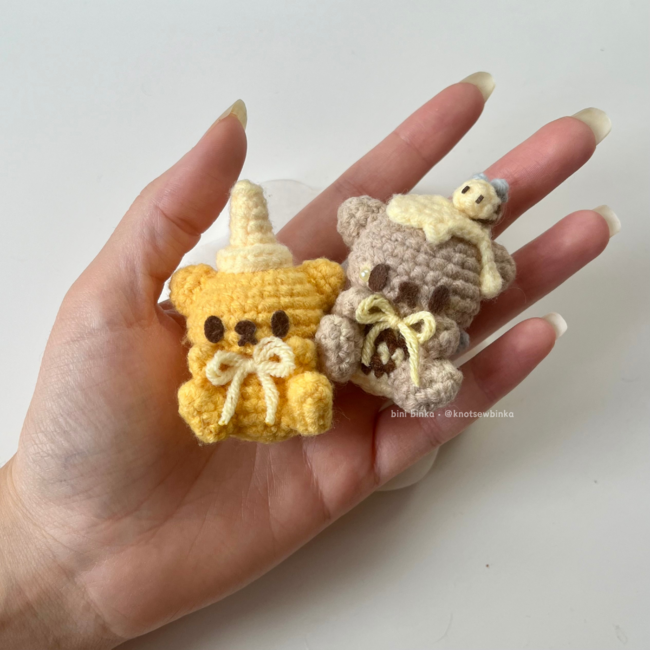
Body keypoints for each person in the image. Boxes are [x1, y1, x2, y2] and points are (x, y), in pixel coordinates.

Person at [0, 72, 617, 648]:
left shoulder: (359, 291)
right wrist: (37, 539)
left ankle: (379, 380)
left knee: (372, 371)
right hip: (305, 353)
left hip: (398, 347)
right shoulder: (299, 294)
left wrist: (42, 559)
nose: (251, 332)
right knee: (304, 359)